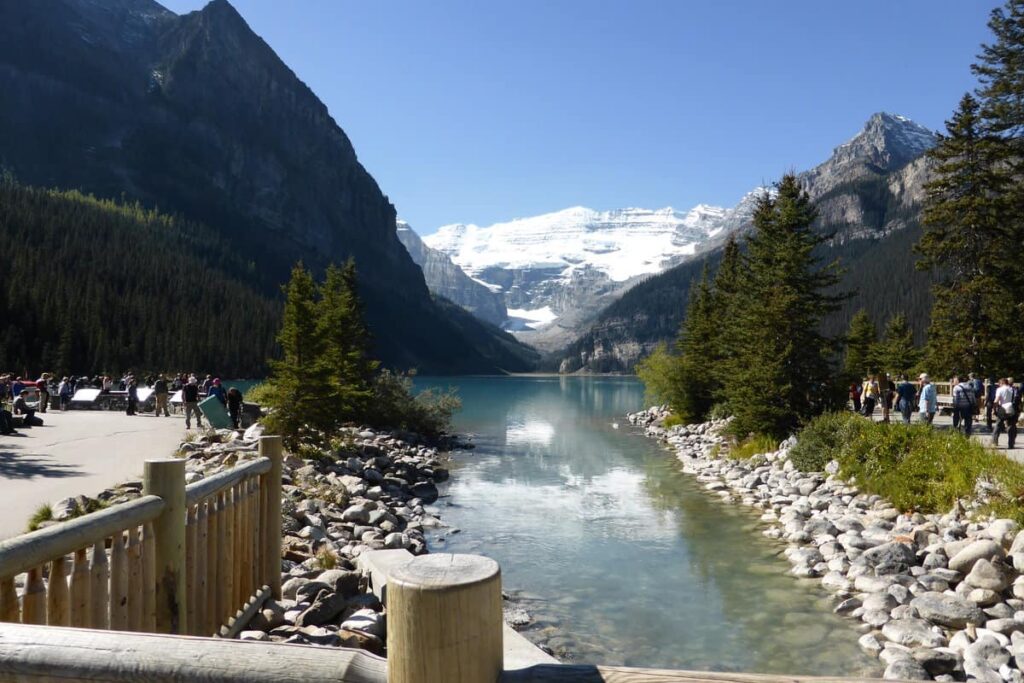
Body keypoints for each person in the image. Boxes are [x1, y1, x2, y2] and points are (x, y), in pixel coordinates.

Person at [992, 378, 1019, 449]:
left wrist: (994, 409)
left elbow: (997, 400)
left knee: (998, 425)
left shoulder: (999, 389)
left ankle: (995, 441)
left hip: (1002, 408)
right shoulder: (1013, 389)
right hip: (1011, 408)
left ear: (1001, 383)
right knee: (1011, 426)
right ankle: (1011, 444)